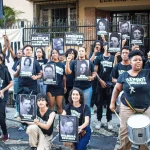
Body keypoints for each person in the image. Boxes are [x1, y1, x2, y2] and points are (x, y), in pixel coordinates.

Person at [110, 50, 150, 150]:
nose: (138, 62)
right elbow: (117, 89)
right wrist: (112, 103)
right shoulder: (124, 75)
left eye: (140, 60)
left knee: (144, 133)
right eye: (135, 60)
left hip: (145, 108)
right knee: (124, 132)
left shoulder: (147, 73)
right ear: (130, 62)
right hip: (127, 107)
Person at [94, 42, 114, 130]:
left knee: (110, 103)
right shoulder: (99, 57)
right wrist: (100, 80)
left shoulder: (113, 58)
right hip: (100, 83)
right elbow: (95, 71)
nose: (108, 47)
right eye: (106, 45)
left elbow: (115, 70)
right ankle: (99, 120)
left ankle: (109, 121)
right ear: (103, 47)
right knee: (99, 103)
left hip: (110, 84)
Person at [46, 49, 66, 114]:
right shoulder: (48, 64)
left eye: (56, 53)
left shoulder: (62, 64)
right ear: (51, 55)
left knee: (59, 105)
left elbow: (64, 77)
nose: (54, 54)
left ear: (58, 55)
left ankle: (61, 122)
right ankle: (50, 122)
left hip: (59, 87)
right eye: (53, 53)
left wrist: (65, 87)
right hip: (50, 87)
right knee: (51, 105)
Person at [0, 55, 13, 142]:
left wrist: (2, 90)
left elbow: (11, 83)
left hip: (2, 95)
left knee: (1, 116)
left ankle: (5, 133)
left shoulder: (4, 70)